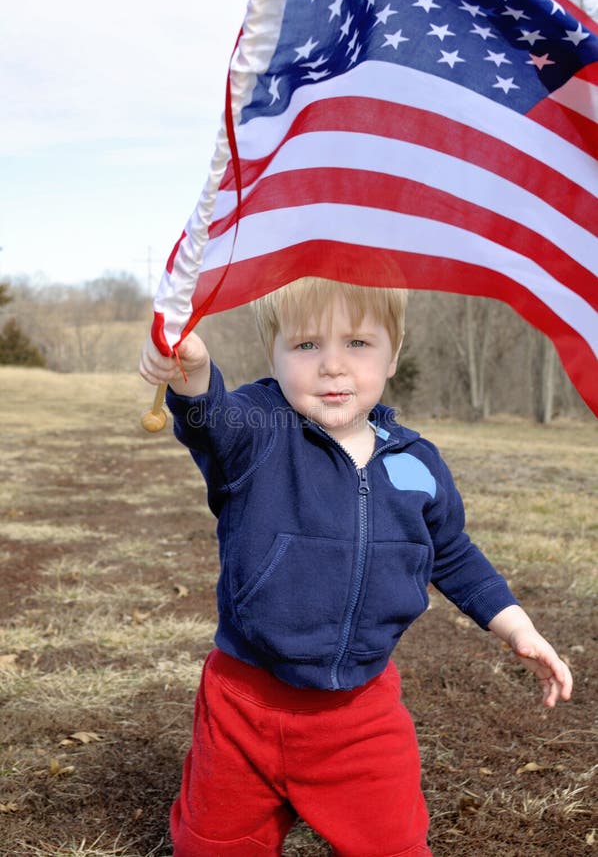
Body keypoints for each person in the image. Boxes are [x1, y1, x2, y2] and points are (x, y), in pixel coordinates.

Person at [139, 277, 572, 857]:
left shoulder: (417, 461)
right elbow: (208, 418)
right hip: (244, 706)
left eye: (359, 344)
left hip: (360, 715)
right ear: (274, 353)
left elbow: (452, 551)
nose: (333, 367)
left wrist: (517, 625)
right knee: (216, 844)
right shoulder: (259, 430)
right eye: (307, 346)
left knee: (392, 843)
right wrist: (190, 370)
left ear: (393, 354)